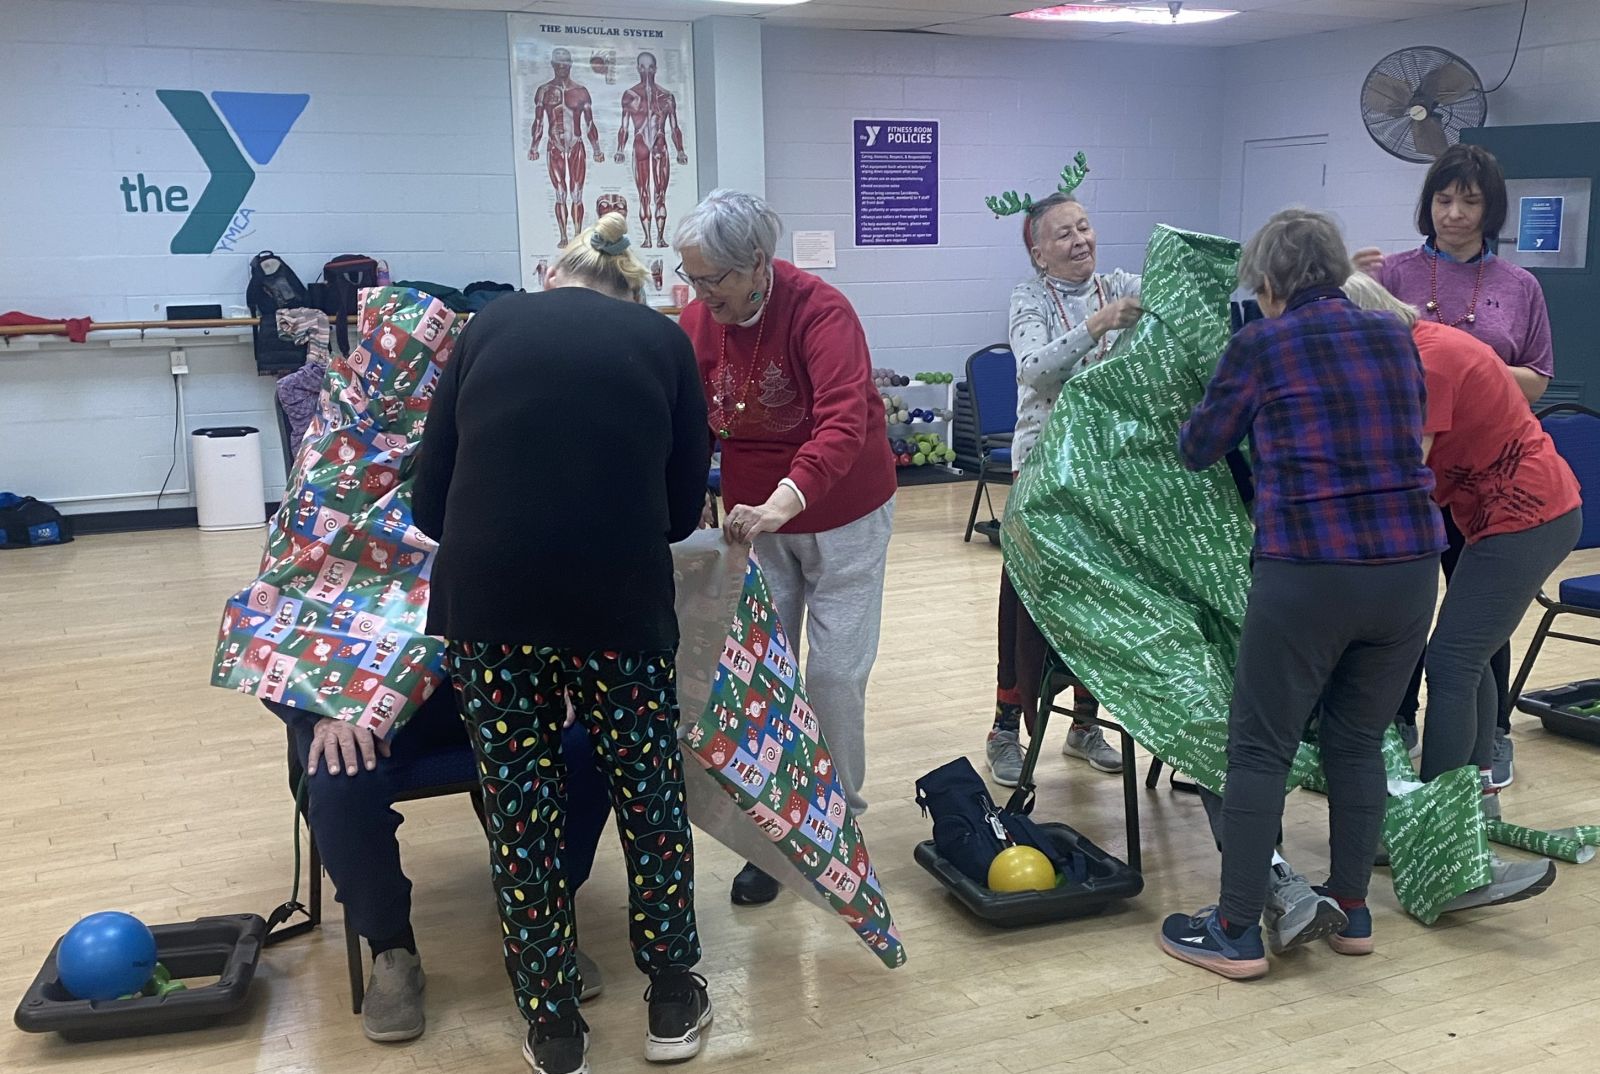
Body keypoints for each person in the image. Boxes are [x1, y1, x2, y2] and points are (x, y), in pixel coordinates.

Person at [412, 212, 713, 1074]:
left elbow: (430, 504)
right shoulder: (665, 344)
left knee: (520, 811)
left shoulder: (486, 325)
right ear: (633, 288)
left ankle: (552, 1025)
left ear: (556, 272)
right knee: (649, 799)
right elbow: (680, 509)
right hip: (617, 605)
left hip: (490, 608)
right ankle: (669, 996)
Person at [1161, 209, 1445, 980]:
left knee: (1260, 747)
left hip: (1309, 569)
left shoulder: (1261, 341)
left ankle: (1234, 929)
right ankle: (1352, 911)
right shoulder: (1393, 335)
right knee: (1357, 741)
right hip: (1413, 567)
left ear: (1273, 283)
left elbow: (1198, 448)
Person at [672, 189, 896, 908]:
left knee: (832, 676)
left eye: (715, 281)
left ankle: (837, 831)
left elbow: (839, 423)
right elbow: (689, 423)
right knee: (764, 682)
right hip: (754, 523)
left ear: (758, 265)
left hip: (841, 513)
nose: (704, 297)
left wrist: (783, 500)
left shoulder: (821, 311)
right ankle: (773, 837)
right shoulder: (699, 322)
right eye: (694, 281)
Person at [1338, 271, 1573, 907]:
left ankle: (1437, 837)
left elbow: (1406, 469)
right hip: (1498, 516)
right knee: (1468, 654)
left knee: (1450, 660)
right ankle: (1474, 807)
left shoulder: (1431, 360)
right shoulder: (1417, 345)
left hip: (1528, 515)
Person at [1353, 144, 1555, 785]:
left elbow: (1539, 379)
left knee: (1472, 626)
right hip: (1417, 474)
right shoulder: (1396, 272)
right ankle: (1402, 720)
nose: (1455, 213)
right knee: (1405, 604)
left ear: (1490, 208)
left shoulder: (1520, 286)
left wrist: (1467, 368)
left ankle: (1488, 738)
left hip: (1488, 475)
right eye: (1444, 199)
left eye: (1470, 200)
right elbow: (1362, 356)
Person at [266, 692, 611, 1044]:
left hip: (484, 680)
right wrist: (318, 714)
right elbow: (261, 642)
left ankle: (543, 918)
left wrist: (563, 667)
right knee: (341, 782)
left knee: (582, 747)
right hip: (357, 701)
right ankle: (391, 948)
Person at [984, 192, 1142, 787]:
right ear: (1038, 252)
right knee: (1024, 600)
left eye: (1085, 227)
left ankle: (1082, 724)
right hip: (1044, 470)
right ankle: (1005, 726)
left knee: (1095, 599)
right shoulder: (1028, 298)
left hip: (1106, 473)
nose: (1081, 240)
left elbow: (1181, 300)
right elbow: (1032, 367)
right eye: (1063, 234)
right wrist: (1096, 325)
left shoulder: (1123, 283)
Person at [529, 47, 605, 247]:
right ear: (553, 64)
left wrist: (596, 148)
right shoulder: (544, 91)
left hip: (576, 144)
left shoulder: (580, 92)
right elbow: (538, 122)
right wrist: (534, 146)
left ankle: (578, 235)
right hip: (554, 145)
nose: (562, 66)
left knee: (577, 193)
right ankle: (564, 236)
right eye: (558, 62)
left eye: (566, 62)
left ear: (571, 64)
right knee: (560, 192)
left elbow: (589, 122)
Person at [615, 51, 688, 249]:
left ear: (655, 69)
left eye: (649, 67)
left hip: (660, 145)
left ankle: (660, 238)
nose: (646, 71)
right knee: (644, 194)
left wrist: (680, 150)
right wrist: (620, 149)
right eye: (642, 66)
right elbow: (624, 126)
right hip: (640, 145)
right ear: (637, 68)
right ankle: (648, 238)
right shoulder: (630, 96)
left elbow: (674, 127)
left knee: (660, 194)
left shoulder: (666, 97)